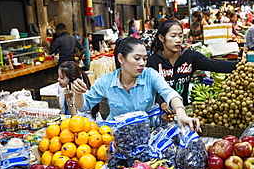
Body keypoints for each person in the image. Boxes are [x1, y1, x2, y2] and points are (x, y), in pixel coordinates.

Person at [71, 37, 200, 132]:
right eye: (137, 58)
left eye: (144, 59)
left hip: (148, 133)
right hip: (117, 136)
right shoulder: (106, 81)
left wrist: (180, 112)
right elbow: (84, 106)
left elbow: (169, 93)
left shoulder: (149, 75)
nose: (142, 63)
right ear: (121, 58)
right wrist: (77, 93)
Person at [147, 19, 254, 113]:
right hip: (159, 113)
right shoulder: (152, 62)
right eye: (173, 36)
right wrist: (161, 102)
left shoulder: (189, 56)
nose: (178, 40)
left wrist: (248, 64)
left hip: (182, 109)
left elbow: (217, 65)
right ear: (161, 38)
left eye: (180, 35)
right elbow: (148, 89)